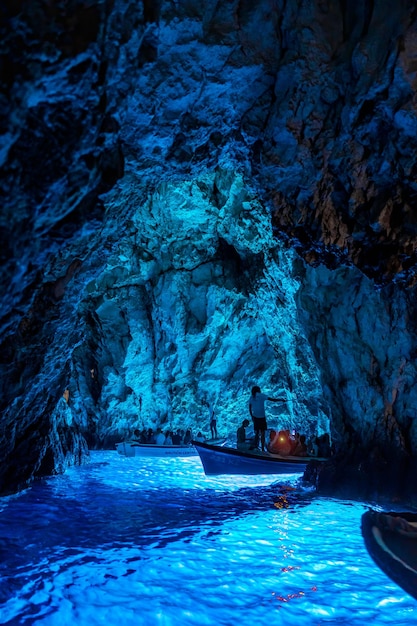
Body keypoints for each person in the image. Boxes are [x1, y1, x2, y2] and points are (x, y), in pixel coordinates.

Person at [248, 385, 286, 452]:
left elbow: (250, 408)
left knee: (257, 433)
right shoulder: (262, 395)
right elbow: (272, 400)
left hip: (255, 417)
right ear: (258, 390)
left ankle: (255, 447)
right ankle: (262, 449)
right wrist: (281, 400)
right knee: (263, 433)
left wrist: (252, 417)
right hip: (262, 417)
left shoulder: (251, 397)